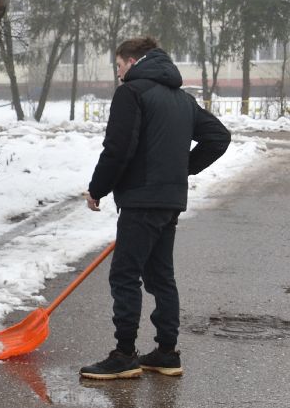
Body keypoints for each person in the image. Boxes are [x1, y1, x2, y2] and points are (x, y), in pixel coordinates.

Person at [80, 35, 229, 380]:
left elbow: (117, 148)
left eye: (119, 66)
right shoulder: (182, 99)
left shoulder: (131, 93)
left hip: (142, 200)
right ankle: (165, 352)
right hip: (169, 201)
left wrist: (98, 189)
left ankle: (124, 354)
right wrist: (181, 168)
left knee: (124, 274)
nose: (118, 75)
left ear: (133, 62)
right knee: (160, 276)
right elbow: (218, 137)